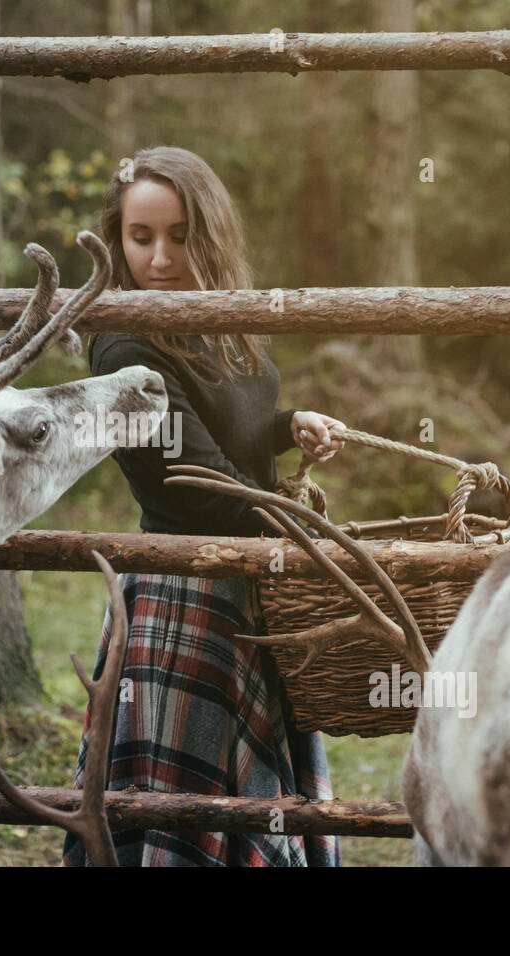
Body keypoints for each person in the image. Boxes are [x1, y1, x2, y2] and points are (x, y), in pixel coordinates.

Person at [61, 146, 347, 866]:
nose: (160, 257)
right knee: (183, 811)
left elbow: (229, 432)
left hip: (247, 579)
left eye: (181, 236)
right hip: (184, 592)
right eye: (141, 236)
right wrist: (306, 535)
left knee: (244, 803)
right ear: (117, 239)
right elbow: (191, 478)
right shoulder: (124, 344)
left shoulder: (212, 318)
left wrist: (287, 426)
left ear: (211, 234)